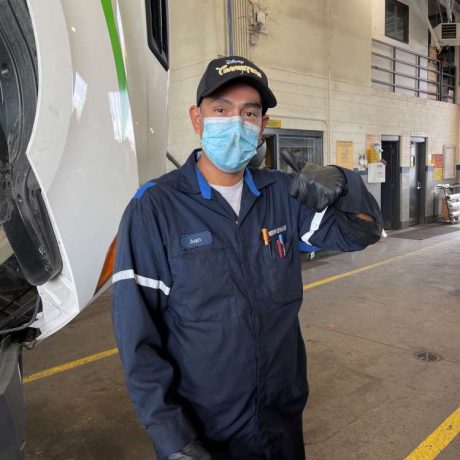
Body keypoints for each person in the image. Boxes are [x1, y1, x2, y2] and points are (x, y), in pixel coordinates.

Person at [112, 56, 383, 460]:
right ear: (197, 118)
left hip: (280, 424)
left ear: (261, 127)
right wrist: (172, 439)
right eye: (221, 109)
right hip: (204, 434)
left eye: (249, 112)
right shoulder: (154, 208)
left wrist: (345, 184)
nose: (235, 122)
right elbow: (137, 338)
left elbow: (363, 231)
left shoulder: (284, 195)